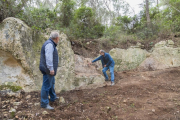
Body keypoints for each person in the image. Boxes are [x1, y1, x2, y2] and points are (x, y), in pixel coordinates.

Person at [39, 31, 60, 110]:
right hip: (47, 69)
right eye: (59, 38)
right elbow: (48, 58)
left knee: (51, 83)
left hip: (47, 68)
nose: (59, 39)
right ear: (57, 38)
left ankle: (53, 97)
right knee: (46, 86)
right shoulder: (50, 44)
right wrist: (51, 68)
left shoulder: (50, 44)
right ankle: (44, 104)